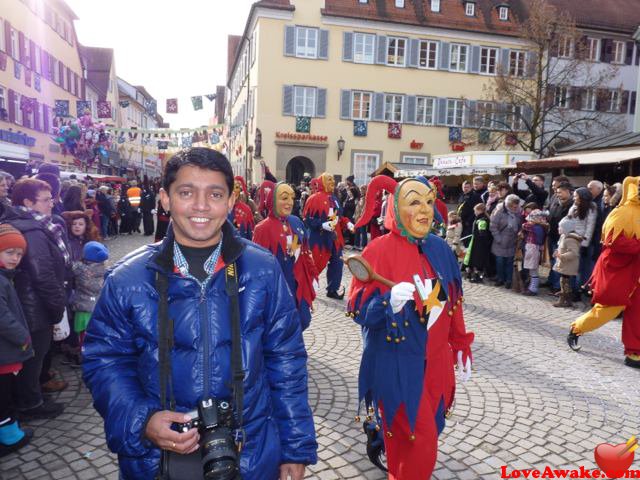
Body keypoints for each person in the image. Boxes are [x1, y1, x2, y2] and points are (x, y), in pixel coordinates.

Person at [82, 148, 317, 480]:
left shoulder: (263, 270)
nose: (202, 206)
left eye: (215, 194)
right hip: (157, 462)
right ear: (165, 199)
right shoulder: (126, 279)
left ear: (231, 201)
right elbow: (104, 360)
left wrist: (294, 447)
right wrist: (143, 420)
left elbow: (286, 359)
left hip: (250, 454)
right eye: (187, 192)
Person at [347, 174, 473, 480]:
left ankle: (381, 440)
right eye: (414, 202)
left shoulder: (440, 250)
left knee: (418, 436)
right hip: (396, 364)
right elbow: (357, 308)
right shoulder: (378, 250)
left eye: (428, 202)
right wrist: (387, 302)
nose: (425, 210)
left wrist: (460, 343)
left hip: (436, 365)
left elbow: (452, 299)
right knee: (422, 444)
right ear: (396, 208)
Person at [8, 178, 68, 419]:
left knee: (34, 356)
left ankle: (29, 396)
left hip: (28, 304)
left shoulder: (32, 225)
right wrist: (57, 308)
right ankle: (30, 404)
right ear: (27, 202)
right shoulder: (32, 229)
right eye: (45, 200)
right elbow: (42, 274)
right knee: (33, 356)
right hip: (34, 306)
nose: (51, 204)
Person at [567, 177, 640, 369]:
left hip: (637, 273)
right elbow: (612, 241)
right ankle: (577, 328)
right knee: (609, 309)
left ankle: (634, 352)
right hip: (620, 271)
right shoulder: (622, 213)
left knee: (637, 315)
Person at [253, 181, 318, 332]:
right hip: (277, 287)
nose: (289, 202)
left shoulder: (296, 222)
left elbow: (306, 252)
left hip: (299, 285)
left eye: (291, 197)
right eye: (284, 198)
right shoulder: (262, 228)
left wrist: (312, 278)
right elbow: (256, 266)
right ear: (273, 200)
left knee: (303, 320)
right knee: (281, 327)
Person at [0, 224, 34, 457]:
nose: (15, 258)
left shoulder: (5, 277)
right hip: (5, 352)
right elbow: (3, 318)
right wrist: (23, 338)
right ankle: (10, 436)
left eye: (19, 254)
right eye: (9, 252)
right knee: (4, 395)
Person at [303, 172, 354, 300]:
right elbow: (307, 219)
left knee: (337, 264)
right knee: (315, 264)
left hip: (336, 239)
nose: (333, 182)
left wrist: (347, 223)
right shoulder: (313, 199)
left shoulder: (335, 199)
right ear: (323, 182)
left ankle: (332, 289)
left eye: (333, 180)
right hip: (319, 239)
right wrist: (321, 225)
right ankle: (306, 286)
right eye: (329, 180)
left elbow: (339, 217)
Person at [70, 241, 108, 355]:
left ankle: (84, 354)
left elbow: (70, 266)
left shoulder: (80, 269)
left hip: (83, 308)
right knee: (95, 334)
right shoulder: (104, 269)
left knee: (83, 335)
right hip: (97, 307)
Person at [565, 187, 597, 299]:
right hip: (571, 238)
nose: (574, 197)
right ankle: (571, 289)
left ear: (582, 197)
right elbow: (568, 220)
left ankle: (578, 290)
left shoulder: (591, 208)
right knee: (571, 266)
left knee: (580, 268)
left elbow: (590, 227)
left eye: (576, 196)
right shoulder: (574, 206)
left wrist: (584, 244)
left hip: (581, 240)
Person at [545, 182, 573, 294]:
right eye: (557, 192)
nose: (558, 194)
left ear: (567, 191)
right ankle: (552, 282)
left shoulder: (571, 205)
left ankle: (557, 287)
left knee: (559, 262)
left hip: (563, 239)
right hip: (552, 235)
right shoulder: (556, 201)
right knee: (553, 261)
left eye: (560, 192)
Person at [490, 194, 522, 289]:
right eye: (512, 206)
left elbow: (520, 224)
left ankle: (508, 280)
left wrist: (518, 236)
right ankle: (500, 279)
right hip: (500, 241)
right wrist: (499, 239)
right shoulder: (499, 211)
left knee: (509, 262)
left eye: (516, 206)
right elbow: (493, 226)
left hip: (512, 241)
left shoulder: (518, 211)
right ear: (508, 204)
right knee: (500, 262)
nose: (514, 208)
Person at [552, 217, 581, 308]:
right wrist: (557, 251)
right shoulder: (563, 236)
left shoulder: (570, 239)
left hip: (568, 265)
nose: (558, 228)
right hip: (564, 264)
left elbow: (573, 253)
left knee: (564, 282)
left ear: (566, 228)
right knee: (564, 281)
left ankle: (563, 299)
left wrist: (562, 256)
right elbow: (561, 247)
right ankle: (567, 300)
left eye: (560, 227)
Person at [520, 209, 547, 296]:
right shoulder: (538, 227)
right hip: (532, 248)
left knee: (533, 270)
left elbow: (524, 225)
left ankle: (533, 289)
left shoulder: (536, 228)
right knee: (532, 270)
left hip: (533, 249)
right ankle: (531, 287)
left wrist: (531, 221)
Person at [463, 203, 492, 283]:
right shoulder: (480, 218)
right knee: (476, 260)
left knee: (477, 260)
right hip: (476, 242)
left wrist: (481, 233)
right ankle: (474, 275)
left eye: (475, 211)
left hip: (479, 244)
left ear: (479, 210)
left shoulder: (482, 220)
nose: (474, 212)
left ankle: (478, 276)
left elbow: (482, 232)